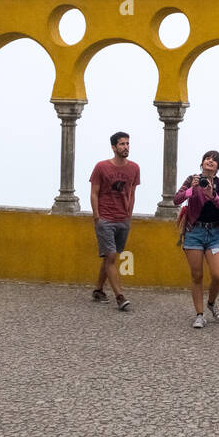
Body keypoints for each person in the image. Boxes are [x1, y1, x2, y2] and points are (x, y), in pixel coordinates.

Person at [174, 150, 219, 329]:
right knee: (197, 275)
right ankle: (199, 315)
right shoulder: (192, 179)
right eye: (207, 158)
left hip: (214, 233)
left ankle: (211, 303)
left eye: (215, 160)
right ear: (202, 162)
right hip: (194, 232)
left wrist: (212, 195)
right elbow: (177, 199)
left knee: (217, 275)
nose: (210, 161)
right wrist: (192, 189)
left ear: (218, 167)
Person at [89, 131, 140, 311]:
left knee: (110, 256)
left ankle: (98, 290)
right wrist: (97, 216)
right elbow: (94, 192)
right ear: (113, 147)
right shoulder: (101, 167)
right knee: (110, 256)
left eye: (127, 144)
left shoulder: (134, 168)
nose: (126, 147)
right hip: (105, 218)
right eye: (122, 144)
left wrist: (129, 216)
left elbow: (132, 193)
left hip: (122, 219)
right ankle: (120, 296)